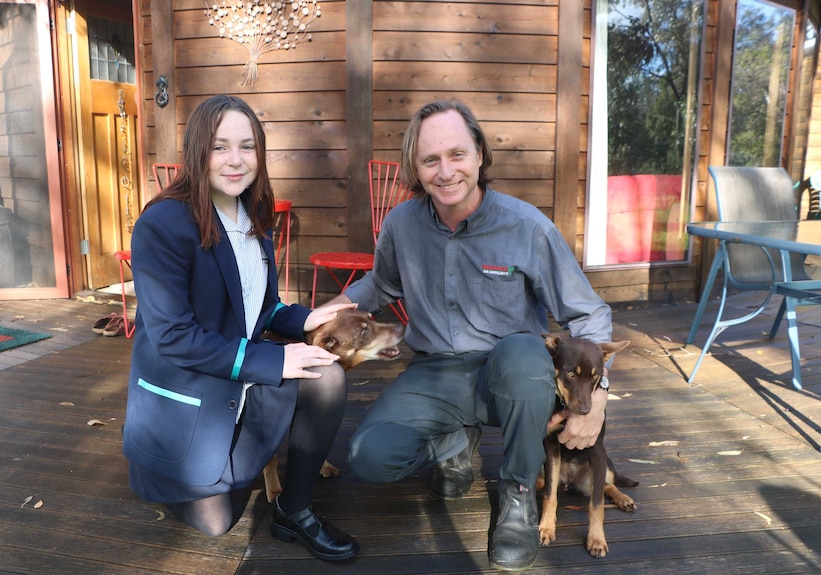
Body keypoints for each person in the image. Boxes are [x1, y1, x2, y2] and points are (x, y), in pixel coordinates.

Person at [329, 99, 614, 570]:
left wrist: (597, 397)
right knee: (369, 458)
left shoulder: (527, 227)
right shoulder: (402, 224)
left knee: (524, 354)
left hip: (512, 375)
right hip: (435, 372)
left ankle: (518, 495)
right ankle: (455, 443)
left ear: (480, 155)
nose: (445, 172)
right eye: (430, 160)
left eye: (457, 154)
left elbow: (589, 314)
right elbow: (379, 283)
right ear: (416, 169)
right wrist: (326, 314)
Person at [121, 94, 358, 562]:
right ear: (197, 152)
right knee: (217, 523)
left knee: (325, 375)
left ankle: (295, 508)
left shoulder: (254, 217)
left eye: (247, 147)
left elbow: (261, 307)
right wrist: (275, 358)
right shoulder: (162, 224)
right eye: (219, 147)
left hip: (235, 373)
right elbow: (172, 337)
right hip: (189, 393)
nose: (235, 160)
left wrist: (304, 319)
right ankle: (187, 468)